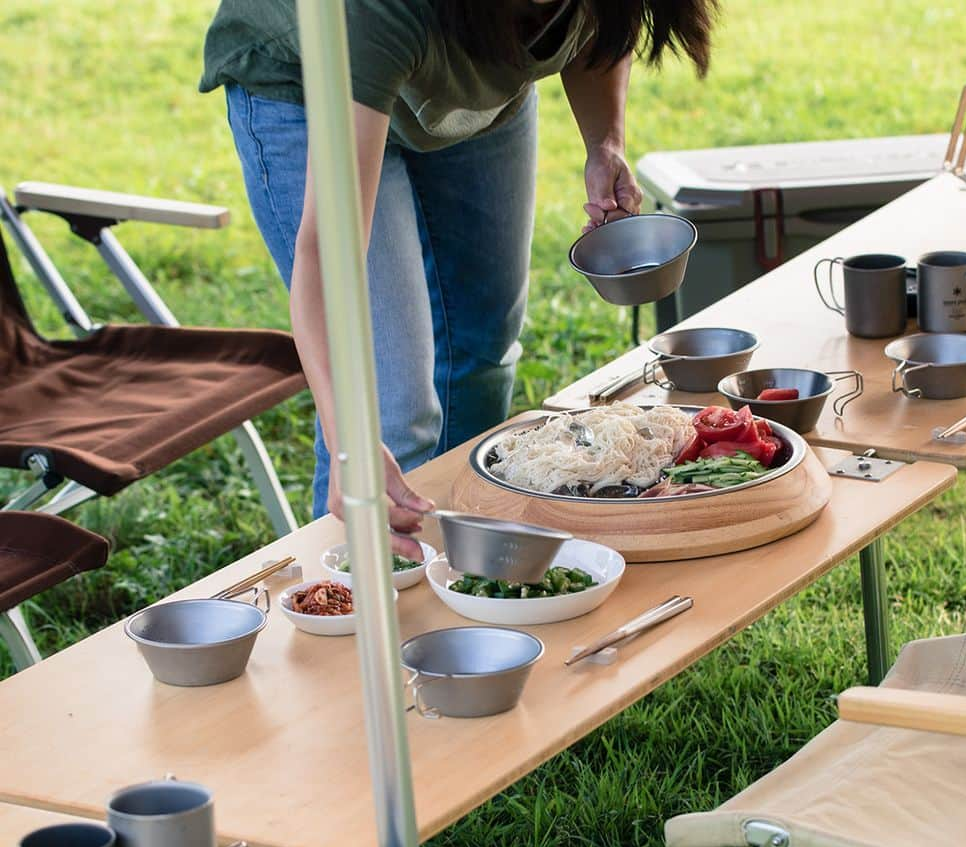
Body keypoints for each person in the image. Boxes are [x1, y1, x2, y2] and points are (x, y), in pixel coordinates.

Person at [200, 0, 717, 556]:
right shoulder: (380, 10)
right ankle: (360, 618)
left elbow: (600, 24)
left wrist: (605, 143)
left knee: (481, 349)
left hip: (468, 67)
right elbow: (330, 258)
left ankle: (461, 574)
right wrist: (349, 443)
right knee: (386, 410)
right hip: (308, 83)